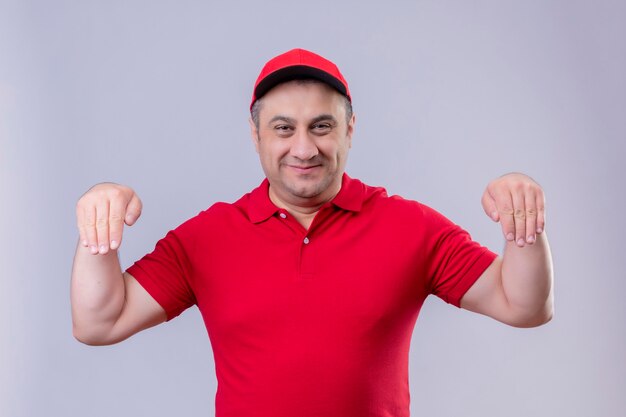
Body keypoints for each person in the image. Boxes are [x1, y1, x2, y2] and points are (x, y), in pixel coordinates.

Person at [71, 48, 553, 417]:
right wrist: (98, 227)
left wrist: (522, 225)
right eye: (283, 128)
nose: (304, 148)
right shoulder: (207, 236)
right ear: (256, 135)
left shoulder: (411, 227)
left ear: (349, 130)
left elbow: (524, 306)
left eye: (321, 126)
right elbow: (99, 323)